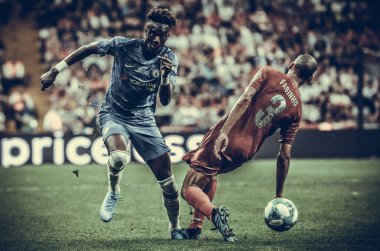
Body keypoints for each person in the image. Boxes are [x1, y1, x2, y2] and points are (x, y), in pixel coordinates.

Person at [41, 7, 184, 239]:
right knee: (119, 157)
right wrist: (55, 70)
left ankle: (175, 228)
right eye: (151, 32)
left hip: (144, 120)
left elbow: (166, 101)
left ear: (168, 36)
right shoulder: (124, 46)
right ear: (145, 30)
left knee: (168, 184)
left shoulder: (169, 58)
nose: (155, 38)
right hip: (114, 114)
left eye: (162, 35)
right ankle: (114, 190)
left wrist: (166, 77)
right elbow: (89, 48)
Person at [180, 54, 318, 242]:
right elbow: (284, 155)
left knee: (189, 187)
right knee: (211, 174)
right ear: (310, 78)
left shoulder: (268, 72)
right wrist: (278, 196)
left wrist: (224, 133)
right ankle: (195, 227)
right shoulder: (297, 110)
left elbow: (245, 99)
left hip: (227, 137)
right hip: (246, 152)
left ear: (292, 64)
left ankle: (214, 214)